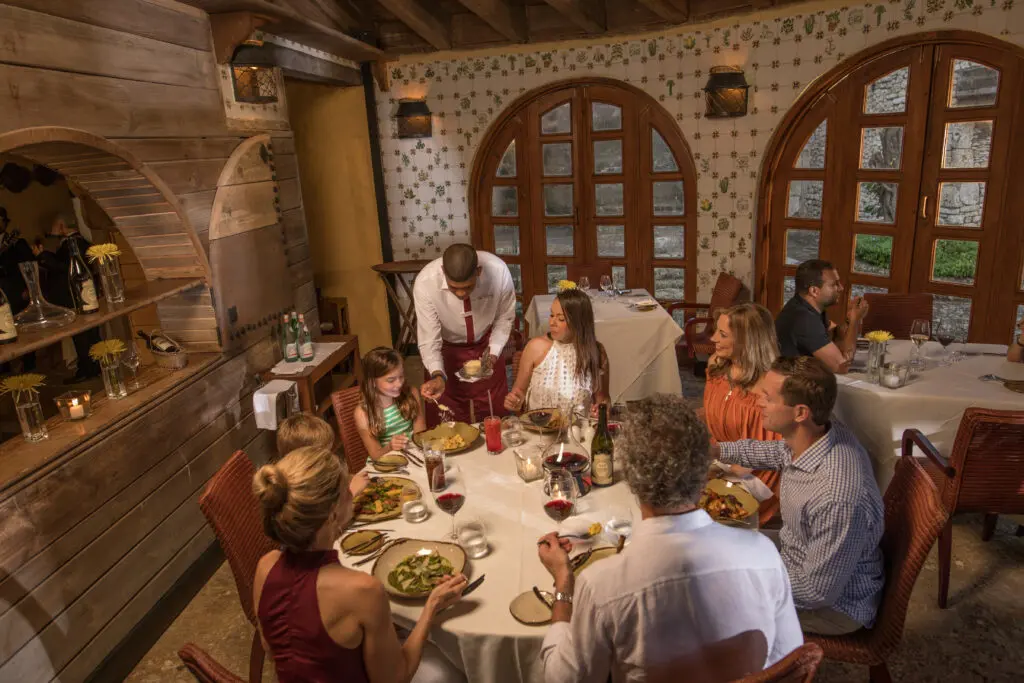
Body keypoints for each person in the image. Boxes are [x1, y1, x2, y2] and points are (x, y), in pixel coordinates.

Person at [537, 395, 803, 683]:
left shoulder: (603, 584)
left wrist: (563, 583)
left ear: (633, 481)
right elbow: (787, 657)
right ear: (704, 477)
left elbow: (564, 679)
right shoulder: (763, 554)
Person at [252, 446, 468, 683]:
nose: (353, 491)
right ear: (333, 514)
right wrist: (431, 607)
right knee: (455, 669)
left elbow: (272, 650)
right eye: (347, 488)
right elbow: (395, 678)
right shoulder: (362, 590)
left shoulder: (265, 566)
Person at [713, 357, 884, 636]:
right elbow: (775, 453)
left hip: (834, 608)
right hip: (797, 554)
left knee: (707, 603)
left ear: (800, 412)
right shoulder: (819, 431)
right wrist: (717, 451)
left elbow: (816, 592)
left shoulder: (836, 496)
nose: (757, 399)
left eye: (767, 397)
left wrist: (741, 581)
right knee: (714, 541)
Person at [415, 244, 516, 424]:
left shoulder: (498, 271)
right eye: (454, 288)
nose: (461, 293)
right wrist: (437, 374)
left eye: (468, 287)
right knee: (447, 417)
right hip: (448, 348)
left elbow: (504, 318)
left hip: (487, 343)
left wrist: (492, 354)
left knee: (493, 412)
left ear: (478, 271)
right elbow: (429, 337)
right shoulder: (426, 283)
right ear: (443, 271)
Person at [703, 302, 784, 524]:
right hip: (720, 457)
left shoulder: (771, 384)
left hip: (755, 472)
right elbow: (713, 413)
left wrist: (724, 470)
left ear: (747, 340)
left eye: (722, 334)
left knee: (699, 513)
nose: (713, 340)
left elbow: (781, 447)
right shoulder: (717, 366)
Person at [504, 289, 609, 415]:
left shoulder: (595, 352)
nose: (552, 322)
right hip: (539, 428)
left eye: (561, 319)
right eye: (552, 315)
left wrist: (602, 409)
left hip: (577, 430)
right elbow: (519, 390)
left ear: (579, 323)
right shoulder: (535, 347)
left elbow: (603, 398)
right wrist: (515, 400)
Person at [36, 213, 101, 382]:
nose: (51, 229)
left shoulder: (75, 242)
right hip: (76, 297)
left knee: (82, 334)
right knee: (84, 334)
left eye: (53, 225)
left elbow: (67, 268)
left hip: (75, 297)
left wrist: (43, 256)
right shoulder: (71, 242)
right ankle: (91, 367)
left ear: (61, 225)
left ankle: (88, 369)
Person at [775, 260, 868, 374]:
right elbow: (842, 366)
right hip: (793, 385)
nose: (841, 288)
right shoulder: (804, 319)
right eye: (834, 284)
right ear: (814, 291)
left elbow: (836, 334)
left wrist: (849, 318)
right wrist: (855, 320)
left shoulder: (808, 307)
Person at [354, 347, 427, 461]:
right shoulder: (362, 413)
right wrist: (390, 447)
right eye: (391, 380)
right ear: (372, 381)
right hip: (386, 462)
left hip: (414, 455)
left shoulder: (411, 393)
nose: (399, 384)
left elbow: (420, 433)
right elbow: (375, 455)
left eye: (401, 376)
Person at [275, 412, 369, 495]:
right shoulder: (298, 488)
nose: (329, 456)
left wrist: (349, 479)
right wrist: (351, 493)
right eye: (323, 454)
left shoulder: (315, 471)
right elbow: (326, 513)